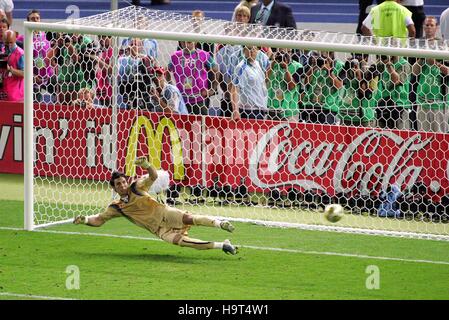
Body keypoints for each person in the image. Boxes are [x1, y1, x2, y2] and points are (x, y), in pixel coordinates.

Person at [73, 156, 238, 255]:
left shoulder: (136, 187)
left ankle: (220, 223)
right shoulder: (116, 207)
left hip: (165, 213)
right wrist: (85, 219)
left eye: (123, 181)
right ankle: (223, 245)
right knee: (186, 243)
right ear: (114, 187)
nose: (122, 185)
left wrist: (146, 165)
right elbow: (100, 220)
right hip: (159, 230)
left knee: (189, 218)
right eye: (118, 184)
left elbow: (153, 176)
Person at [168, 40, 218, 115]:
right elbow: (167, 71)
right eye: (183, 42)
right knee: (183, 125)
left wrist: (212, 90)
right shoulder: (175, 56)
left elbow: (216, 70)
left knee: (198, 125)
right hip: (181, 99)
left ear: (195, 42)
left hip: (199, 99)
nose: (185, 45)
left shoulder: (203, 54)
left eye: (189, 42)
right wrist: (171, 87)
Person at [231, 45, 268, 120]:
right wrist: (236, 111)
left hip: (260, 111)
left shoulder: (257, 64)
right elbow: (234, 89)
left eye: (255, 49)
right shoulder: (241, 67)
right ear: (244, 51)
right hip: (249, 112)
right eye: (250, 48)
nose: (252, 51)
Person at [412, 57, 449, 133]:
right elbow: (414, 72)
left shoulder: (445, 56)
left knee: (439, 135)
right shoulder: (425, 61)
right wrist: (422, 58)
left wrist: (435, 63)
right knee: (423, 135)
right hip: (422, 103)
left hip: (439, 105)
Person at [266, 48, 303, 121]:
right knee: (271, 132)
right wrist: (273, 62)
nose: (283, 55)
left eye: (287, 52)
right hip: (273, 108)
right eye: (280, 53)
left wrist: (286, 69)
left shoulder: (298, 67)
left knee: (289, 132)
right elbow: (265, 79)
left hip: (289, 110)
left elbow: (291, 86)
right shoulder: (274, 64)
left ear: (291, 52)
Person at [0, 29, 23, 101]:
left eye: (11, 42)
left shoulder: (20, 54)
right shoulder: (3, 50)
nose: (9, 45)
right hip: (4, 91)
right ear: (3, 40)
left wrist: (10, 69)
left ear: (15, 39)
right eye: (6, 43)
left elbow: (24, 73)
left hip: (16, 94)